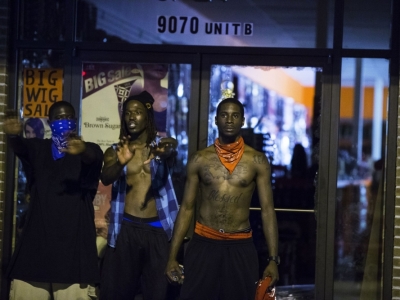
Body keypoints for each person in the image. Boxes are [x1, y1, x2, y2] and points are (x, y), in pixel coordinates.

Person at [165, 98, 279, 300]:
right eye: (224, 115)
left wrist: (272, 259)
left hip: (240, 246)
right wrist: (172, 256)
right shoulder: (199, 159)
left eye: (235, 115)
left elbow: (268, 210)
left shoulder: (257, 160)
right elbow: (187, 208)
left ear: (242, 121)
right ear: (216, 120)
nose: (229, 120)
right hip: (204, 243)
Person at [5, 101, 103, 300]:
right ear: (49, 123)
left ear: (75, 121)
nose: (64, 121)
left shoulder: (89, 151)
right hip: (34, 253)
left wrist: (82, 149)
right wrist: (13, 135)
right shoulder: (38, 149)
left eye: (68, 117)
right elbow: (21, 147)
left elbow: (92, 157)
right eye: (58, 118)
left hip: (74, 257)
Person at [99, 91, 179, 300]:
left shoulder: (161, 147)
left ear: (148, 116)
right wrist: (121, 163)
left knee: (157, 293)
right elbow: (106, 178)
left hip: (157, 231)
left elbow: (171, 147)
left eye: (137, 112)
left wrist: (166, 150)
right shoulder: (115, 151)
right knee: (117, 293)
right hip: (126, 229)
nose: (132, 117)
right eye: (127, 113)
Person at [130, 63, 169, 137]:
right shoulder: (133, 96)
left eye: (165, 61)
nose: (161, 64)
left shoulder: (173, 97)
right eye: (154, 59)